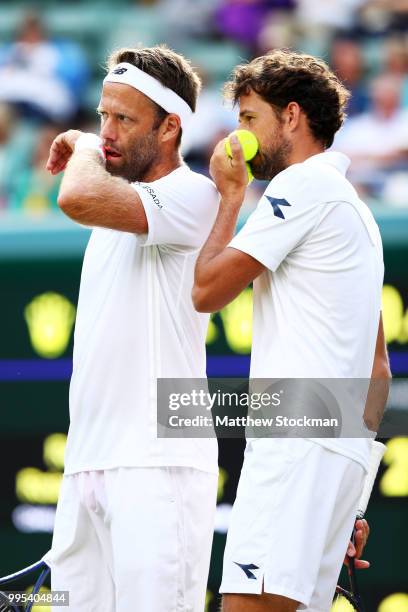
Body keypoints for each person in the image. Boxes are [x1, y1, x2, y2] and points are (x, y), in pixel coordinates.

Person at [193, 49, 391, 612]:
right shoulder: (357, 212)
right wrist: (352, 500)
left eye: (249, 119)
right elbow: (378, 368)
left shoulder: (302, 187)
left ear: (293, 117)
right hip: (334, 458)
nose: (240, 137)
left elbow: (207, 289)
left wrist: (231, 195)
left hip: (296, 445)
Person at [44, 46, 219, 612]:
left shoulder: (195, 195)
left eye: (124, 119)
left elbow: (74, 193)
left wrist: (86, 147)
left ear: (170, 128)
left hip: (157, 469)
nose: (107, 132)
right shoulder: (113, 216)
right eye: (102, 116)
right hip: (85, 469)